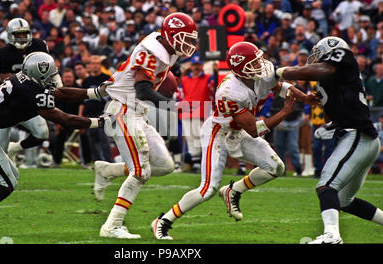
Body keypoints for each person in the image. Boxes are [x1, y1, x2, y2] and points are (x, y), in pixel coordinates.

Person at [151, 42, 316, 240]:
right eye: (253, 64)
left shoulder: (259, 73)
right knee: (207, 189)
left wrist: (305, 98)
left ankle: (233, 190)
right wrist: (285, 111)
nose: (260, 66)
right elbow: (255, 130)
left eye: (258, 60)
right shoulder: (229, 91)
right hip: (219, 133)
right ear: (240, 70)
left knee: (275, 167)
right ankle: (163, 221)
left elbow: (279, 86)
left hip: (240, 130)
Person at [0, 52, 109, 235]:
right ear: (39, 73)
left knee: (11, 173)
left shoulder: (24, 82)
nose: (54, 79)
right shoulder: (29, 91)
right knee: (6, 182)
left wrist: (97, 92)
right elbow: (65, 119)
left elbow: (62, 94)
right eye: (51, 75)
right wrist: (100, 122)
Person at [97, 12, 198, 239]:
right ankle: (112, 225)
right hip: (123, 109)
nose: (189, 44)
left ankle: (108, 170)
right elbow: (143, 90)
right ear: (171, 35)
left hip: (137, 112)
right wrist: (173, 106)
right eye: (185, 38)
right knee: (141, 171)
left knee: (164, 165)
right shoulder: (151, 51)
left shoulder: (165, 48)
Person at [276, 36, 383, 243]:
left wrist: (283, 71)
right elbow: (331, 115)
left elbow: (325, 69)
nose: (314, 58)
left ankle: (332, 236)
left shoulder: (341, 59)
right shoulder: (328, 81)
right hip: (359, 138)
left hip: (357, 135)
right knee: (344, 201)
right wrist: (328, 123)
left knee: (326, 186)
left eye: (318, 52)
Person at [0, 18, 51, 157]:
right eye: (18, 34)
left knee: (42, 133)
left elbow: (46, 70)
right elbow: (5, 79)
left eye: (24, 34)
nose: (22, 37)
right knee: (1, 146)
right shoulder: (1, 54)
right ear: (10, 34)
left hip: (30, 100)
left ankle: (16, 148)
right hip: (10, 100)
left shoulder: (39, 46)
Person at [180, 55, 214, 173]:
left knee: (200, 138)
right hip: (186, 112)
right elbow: (181, 95)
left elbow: (212, 92)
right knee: (190, 138)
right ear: (191, 66)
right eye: (195, 65)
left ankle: (201, 163)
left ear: (202, 66)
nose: (197, 67)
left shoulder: (208, 78)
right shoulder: (184, 79)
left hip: (200, 111)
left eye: (198, 65)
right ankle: (195, 164)